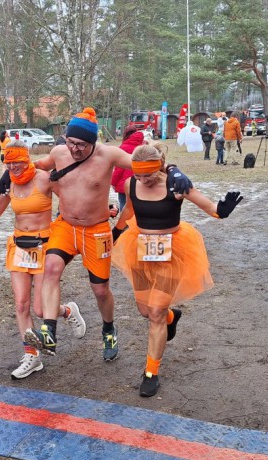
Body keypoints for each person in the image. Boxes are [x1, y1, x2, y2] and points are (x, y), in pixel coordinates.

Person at [23, 107, 194, 362]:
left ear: (93, 142)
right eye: (70, 142)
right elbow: (35, 166)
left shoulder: (109, 155)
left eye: (80, 144)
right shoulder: (59, 152)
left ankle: (108, 329)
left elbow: (147, 164)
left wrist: (174, 170)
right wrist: (13, 172)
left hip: (96, 230)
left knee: (100, 290)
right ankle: (49, 331)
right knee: (51, 268)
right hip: (66, 226)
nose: (74, 149)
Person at [110, 142, 242, 397]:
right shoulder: (131, 185)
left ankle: (151, 372)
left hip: (172, 253)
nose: (142, 180)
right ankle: (173, 317)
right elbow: (128, 212)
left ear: (159, 167)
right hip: (139, 251)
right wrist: (115, 233)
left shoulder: (177, 185)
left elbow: (209, 207)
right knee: (146, 311)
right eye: (138, 175)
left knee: (156, 312)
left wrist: (222, 211)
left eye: (147, 175)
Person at [0, 140, 85, 379]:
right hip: (20, 248)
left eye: (18, 162)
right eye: (8, 163)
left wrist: (99, 208)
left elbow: (71, 197)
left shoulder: (44, 179)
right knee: (21, 305)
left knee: (41, 308)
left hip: (45, 246)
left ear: (27, 159)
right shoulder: (9, 183)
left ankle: (66, 311)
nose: (14, 167)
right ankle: (31, 356)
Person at [111, 125, 145, 210]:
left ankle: (125, 222)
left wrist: (114, 183)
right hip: (140, 183)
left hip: (124, 184)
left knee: (124, 205)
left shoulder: (123, 147)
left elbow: (119, 169)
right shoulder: (144, 146)